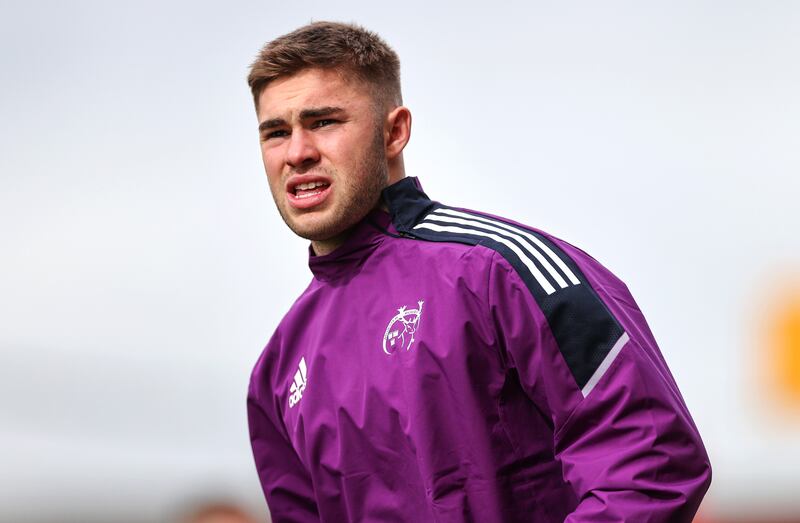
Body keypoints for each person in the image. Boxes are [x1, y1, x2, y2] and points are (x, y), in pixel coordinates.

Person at [245, 21, 711, 522]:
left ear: (393, 132)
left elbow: (650, 463)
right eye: (276, 132)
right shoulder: (277, 369)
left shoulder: (502, 270)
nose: (297, 152)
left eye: (323, 122)